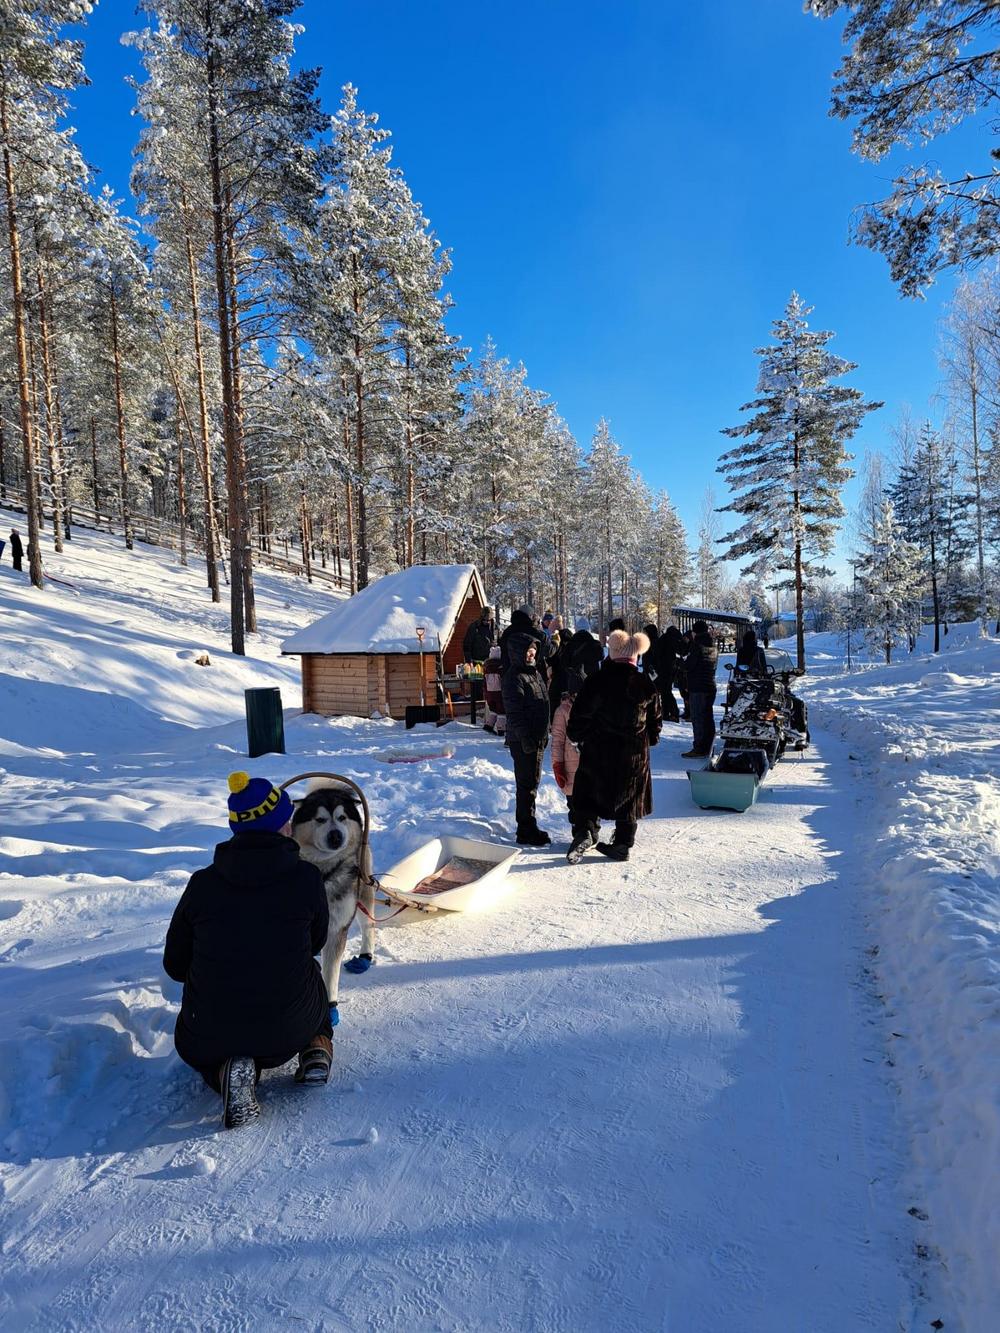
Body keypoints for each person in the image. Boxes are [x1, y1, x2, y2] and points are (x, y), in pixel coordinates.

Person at [163, 772, 334, 1129]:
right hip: (289, 1028)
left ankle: (229, 1071)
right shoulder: (306, 879)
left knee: (205, 1049)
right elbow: (315, 944)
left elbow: (175, 965)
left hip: (208, 1032)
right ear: (282, 827)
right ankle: (316, 1046)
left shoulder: (202, 884)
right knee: (311, 974)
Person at [567, 630, 662, 862]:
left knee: (589, 793)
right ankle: (622, 844)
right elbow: (655, 724)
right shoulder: (646, 684)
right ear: (636, 655)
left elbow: (579, 717)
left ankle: (585, 832)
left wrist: (578, 736)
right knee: (630, 799)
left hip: (598, 750)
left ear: (612, 652)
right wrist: (648, 740)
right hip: (634, 754)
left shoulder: (596, 680)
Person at [501, 632, 551, 845]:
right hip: (524, 740)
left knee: (532, 783)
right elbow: (514, 713)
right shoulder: (514, 678)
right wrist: (526, 738)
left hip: (536, 738)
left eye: (533, 651)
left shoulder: (534, 673)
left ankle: (529, 825)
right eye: (528, 651)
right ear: (517, 652)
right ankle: (525, 829)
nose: (531, 655)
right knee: (526, 786)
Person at [551, 689, 596, 863]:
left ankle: (588, 834)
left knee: (592, 801)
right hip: (571, 765)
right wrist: (557, 764)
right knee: (574, 803)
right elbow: (557, 740)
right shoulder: (563, 710)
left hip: (592, 762)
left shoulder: (595, 704)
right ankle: (582, 833)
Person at [682, 620, 719, 759]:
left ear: (695, 632)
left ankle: (699, 748)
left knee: (697, 718)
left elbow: (689, 665)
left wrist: (679, 662)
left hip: (698, 686)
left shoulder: (697, 646)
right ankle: (709, 746)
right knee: (708, 718)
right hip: (710, 685)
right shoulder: (713, 646)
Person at [499, 604, 548, 673]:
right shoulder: (534, 632)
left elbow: (503, 650)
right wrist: (556, 642)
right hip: (530, 671)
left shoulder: (507, 631)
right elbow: (547, 650)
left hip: (509, 671)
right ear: (530, 616)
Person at [650, 625, 685, 722]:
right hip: (670, 669)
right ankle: (669, 712)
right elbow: (680, 653)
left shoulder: (664, 639)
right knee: (667, 691)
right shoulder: (675, 640)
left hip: (662, 669)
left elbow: (657, 654)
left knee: (665, 692)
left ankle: (670, 712)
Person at [563, 616, 603, 694]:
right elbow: (601, 656)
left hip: (575, 684)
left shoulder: (570, 645)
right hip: (593, 683)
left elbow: (564, 662)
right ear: (588, 629)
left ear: (576, 630)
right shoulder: (595, 644)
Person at [483, 644, 506, 735]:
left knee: (493, 710)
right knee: (501, 711)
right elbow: (503, 680)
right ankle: (501, 728)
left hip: (489, 692)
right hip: (499, 692)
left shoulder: (486, 668)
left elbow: (484, 682)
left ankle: (488, 725)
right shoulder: (501, 668)